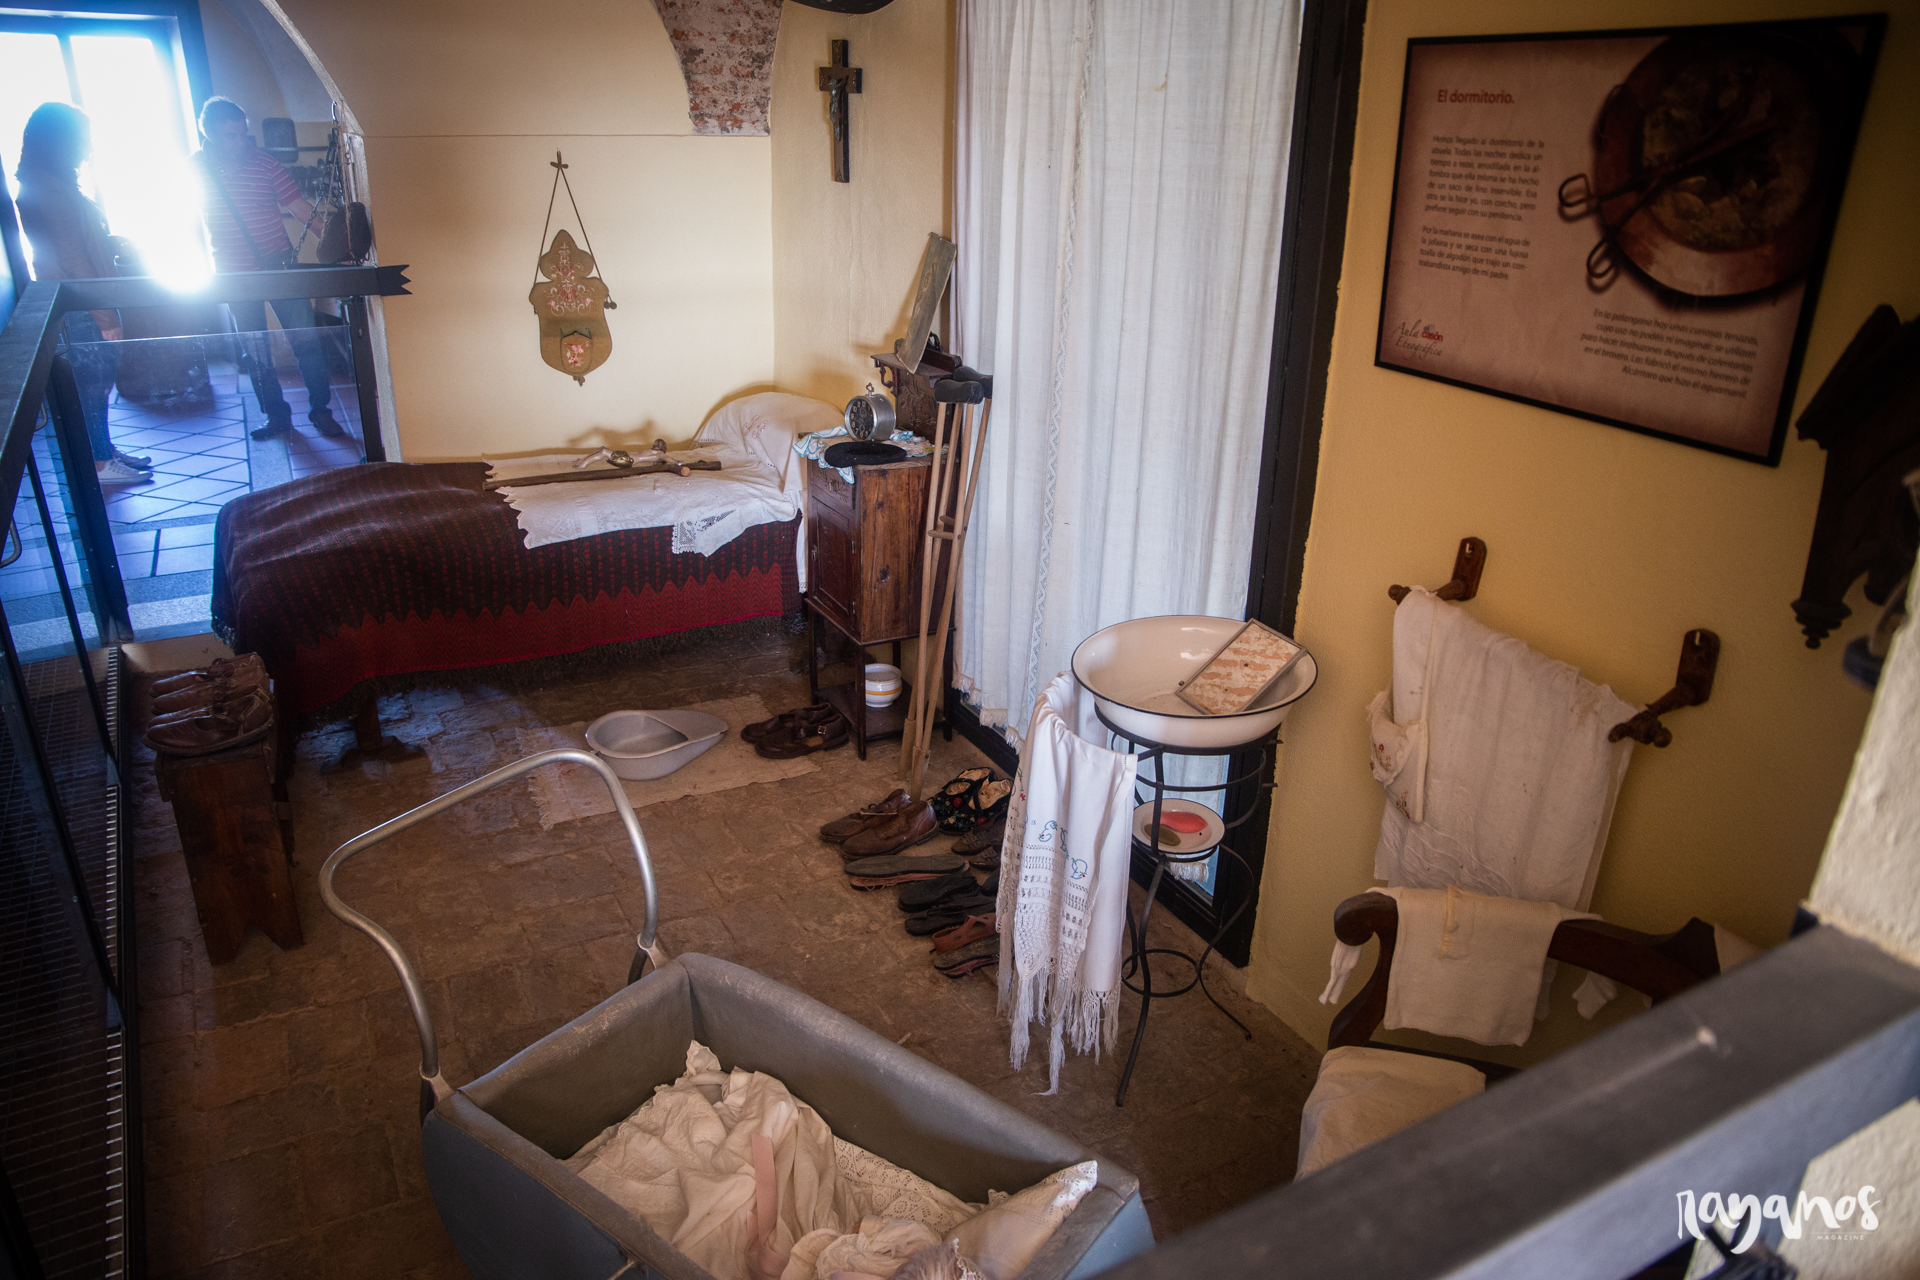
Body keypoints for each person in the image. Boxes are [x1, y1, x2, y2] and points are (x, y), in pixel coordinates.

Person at [13, 102, 153, 487]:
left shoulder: (48, 183)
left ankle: (102, 449)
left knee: (98, 386)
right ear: (61, 141)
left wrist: (108, 240)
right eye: (83, 139)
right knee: (93, 386)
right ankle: (101, 464)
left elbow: (73, 243)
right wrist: (107, 318)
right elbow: (73, 260)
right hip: (84, 308)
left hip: (84, 303)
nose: (88, 148)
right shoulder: (48, 189)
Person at [190, 96, 344, 442]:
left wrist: (339, 249)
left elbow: (302, 209)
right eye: (231, 135)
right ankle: (276, 417)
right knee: (256, 349)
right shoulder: (194, 168)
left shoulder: (266, 164)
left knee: (307, 342)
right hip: (232, 272)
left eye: (242, 134)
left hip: (277, 264)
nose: (240, 142)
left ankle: (321, 410)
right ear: (209, 132)